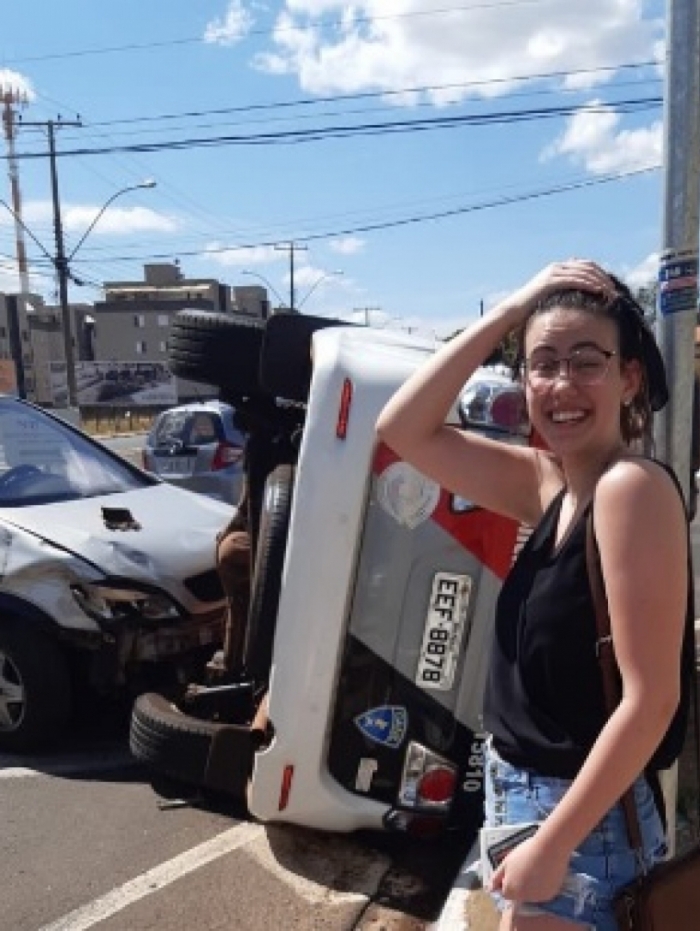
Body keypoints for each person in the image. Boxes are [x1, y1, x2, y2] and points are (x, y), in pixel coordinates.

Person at [376, 260, 692, 930]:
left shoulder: (628, 488)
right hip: (525, 804)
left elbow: (651, 699)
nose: (561, 384)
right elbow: (402, 428)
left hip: (579, 825)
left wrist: (552, 846)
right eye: (542, 363)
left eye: (586, 361)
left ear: (629, 376)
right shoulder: (551, 484)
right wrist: (510, 310)